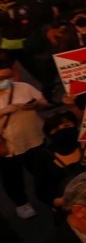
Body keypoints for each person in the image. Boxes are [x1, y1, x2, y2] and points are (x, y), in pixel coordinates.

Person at [0, 62, 47, 219]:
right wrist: (3, 111)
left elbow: (43, 103)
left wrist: (35, 105)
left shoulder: (23, 87)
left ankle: (51, 195)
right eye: (2, 78)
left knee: (42, 170)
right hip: (8, 147)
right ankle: (22, 203)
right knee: (12, 178)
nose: (6, 80)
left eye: (8, 77)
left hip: (34, 139)